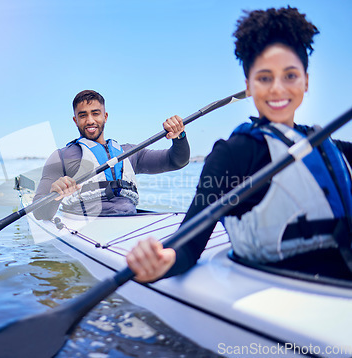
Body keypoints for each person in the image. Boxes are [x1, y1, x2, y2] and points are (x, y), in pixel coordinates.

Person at [127, 6, 352, 283]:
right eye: (265, 78)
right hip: (284, 294)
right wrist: (163, 261)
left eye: (290, 76)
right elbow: (188, 245)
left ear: (306, 81)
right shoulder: (232, 155)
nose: (278, 88)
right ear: (248, 86)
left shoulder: (336, 150)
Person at [32, 90, 190, 220]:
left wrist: (179, 136)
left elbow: (177, 161)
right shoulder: (61, 157)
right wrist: (55, 194)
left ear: (105, 117)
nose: (90, 120)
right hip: (84, 227)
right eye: (83, 115)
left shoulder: (130, 153)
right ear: (75, 120)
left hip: (128, 222)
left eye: (95, 113)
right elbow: (40, 213)